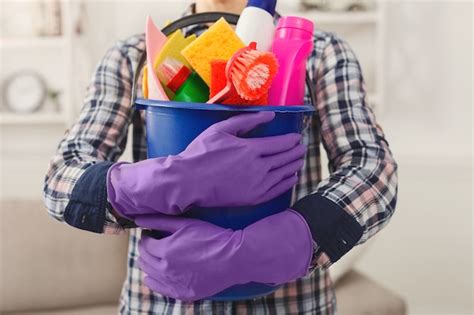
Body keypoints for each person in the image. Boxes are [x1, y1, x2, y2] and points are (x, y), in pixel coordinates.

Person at [43, 1, 398, 314]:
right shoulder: (135, 57)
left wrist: (286, 241)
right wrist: (170, 179)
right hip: (161, 305)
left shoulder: (318, 53)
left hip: (291, 305)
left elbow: (373, 168)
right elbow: (62, 179)